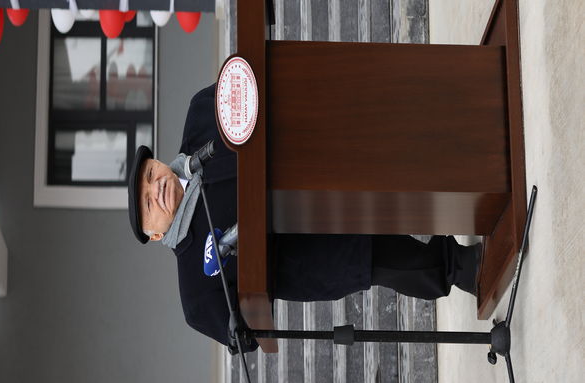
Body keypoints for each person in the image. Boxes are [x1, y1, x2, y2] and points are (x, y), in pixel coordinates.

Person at [128, 85, 481, 351]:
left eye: (150, 174)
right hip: (314, 251)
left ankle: (473, 156)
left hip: (319, 158)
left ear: (157, 163)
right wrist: (237, 330)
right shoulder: (195, 290)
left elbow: (248, 86)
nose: (155, 189)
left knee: (402, 162)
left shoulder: (200, 116)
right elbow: (243, 333)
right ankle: (465, 267)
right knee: (391, 259)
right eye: (148, 203)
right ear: (155, 236)